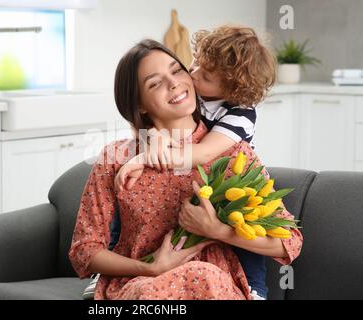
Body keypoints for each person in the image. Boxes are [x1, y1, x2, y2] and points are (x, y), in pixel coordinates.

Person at [69, 39, 302, 300]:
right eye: (155, 83)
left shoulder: (233, 153)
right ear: (140, 105)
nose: (174, 83)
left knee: (203, 275)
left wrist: (216, 230)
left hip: (216, 285)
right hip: (139, 286)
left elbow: (289, 242)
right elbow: (84, 251)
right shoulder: (115, 158)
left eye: (177, 70)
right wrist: (149, 267)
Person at [114, 25, 276, 299]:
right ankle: (110, 275)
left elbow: (201, 153)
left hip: (233, 187)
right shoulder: (197, 94)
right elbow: (157, 123)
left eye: (206, 75)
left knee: (243, 236)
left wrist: (146, 157)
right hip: (200, 185)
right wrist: (153, 137)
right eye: (196, 61)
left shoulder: (241, 113)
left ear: (232, 88)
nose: (193, 73)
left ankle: (253, 289)